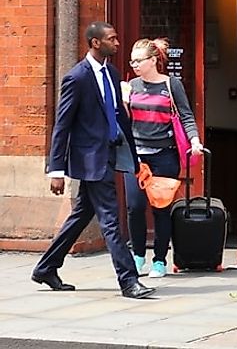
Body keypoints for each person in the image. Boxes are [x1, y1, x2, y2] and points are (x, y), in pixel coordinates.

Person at [32, 22, 156, 299]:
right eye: (111, 39)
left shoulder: (111, 73)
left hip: (111, 154)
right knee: (111, 220)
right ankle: (129, 281)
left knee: (81, 215)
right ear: (95, 43)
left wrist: (134, 159)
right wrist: (56, 170)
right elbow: (62, 126)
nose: (117, 43)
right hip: (90, 160)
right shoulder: (77, 78)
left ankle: (46, 267)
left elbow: (120, 118)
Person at [122, 38, 204, 278]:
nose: (134, 65)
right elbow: (125, 122)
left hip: (164, 155)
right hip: (136, 157)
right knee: (135, 208)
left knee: (161, 208)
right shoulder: (131, 85)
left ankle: (159, 259)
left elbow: (186, 115)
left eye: (139, 60)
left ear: (153, 60)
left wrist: (195, 141)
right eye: (132, 61)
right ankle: (138, 256)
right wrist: (123, 102)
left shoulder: (171, 85)